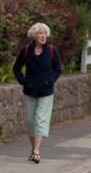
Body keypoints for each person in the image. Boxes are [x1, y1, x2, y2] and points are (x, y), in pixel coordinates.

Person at [13, 22, 62, 164]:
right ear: (34, 35)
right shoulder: (26, 50)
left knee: (41, 120)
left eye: (45, 33)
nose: (43, 36)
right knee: (30, 121)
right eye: (40, 33)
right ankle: (33, 149)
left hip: (46, 91)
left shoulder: (52, 51)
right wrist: (25, 81)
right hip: (30, 90)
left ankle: (36, 152)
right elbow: (16, 68)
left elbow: (58, 70)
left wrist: (48, 81)